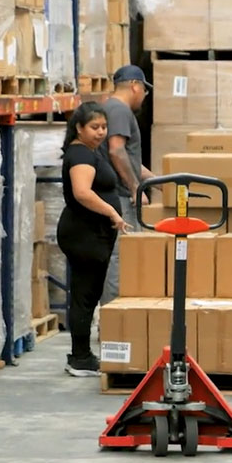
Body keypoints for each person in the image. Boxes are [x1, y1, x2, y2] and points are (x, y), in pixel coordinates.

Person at [59, 101, 129, 376]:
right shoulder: (80, 155)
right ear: (79, 128)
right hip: (84, 234)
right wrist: (112, 212)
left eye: (104, 127)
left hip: (92, 233)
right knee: (85, 295)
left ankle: (81, 355)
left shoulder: (89, 151)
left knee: (87, 293)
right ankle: (80, 358)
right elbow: (82, 192)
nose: (101, 132)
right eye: (94, 127)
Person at [101, 65, 155, 304]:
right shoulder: (119, 110)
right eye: (144, 90)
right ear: (135, 86)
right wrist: (135, 188)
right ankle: (116, 316)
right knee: (121, 258)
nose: (144, 96)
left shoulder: (113, 109)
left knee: (128, 257)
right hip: (121, 199)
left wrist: (159, 182)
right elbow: (116, 151)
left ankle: (122, 313)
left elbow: (129, 159)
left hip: (122, 196)